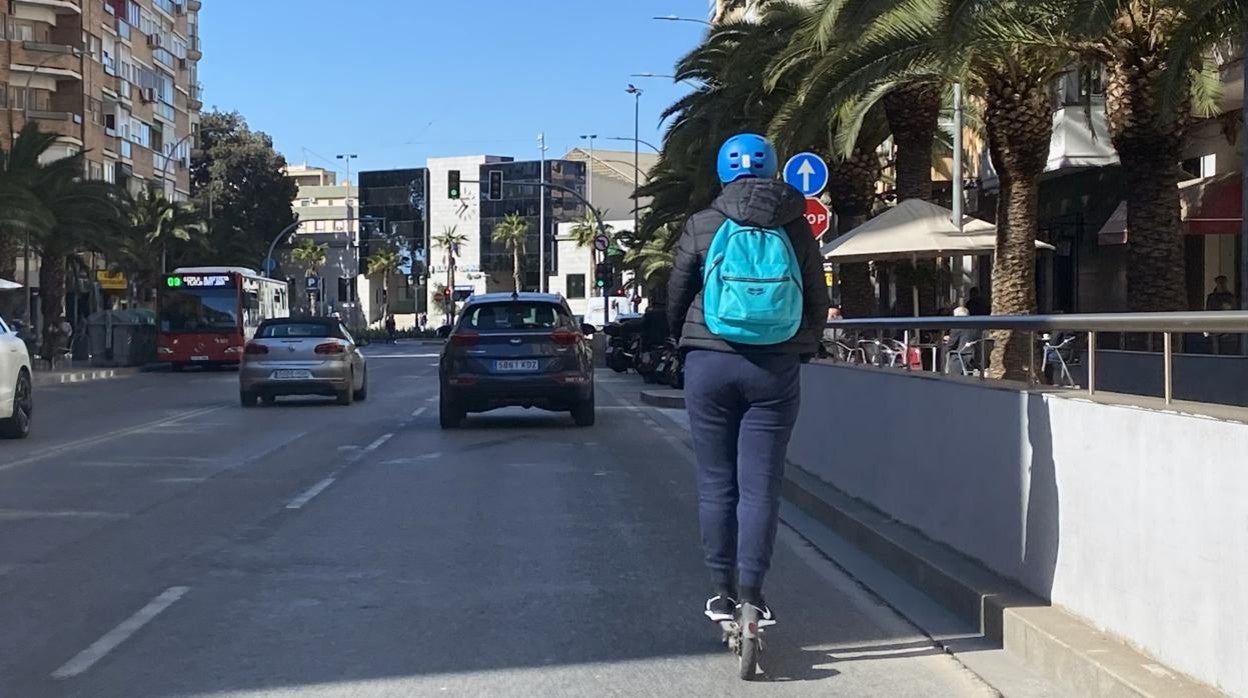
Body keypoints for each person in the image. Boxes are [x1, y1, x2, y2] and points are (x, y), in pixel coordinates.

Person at [668, 133, 829, 629]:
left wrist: (683, 339)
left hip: (709, 364)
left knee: (717, 484)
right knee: (760, 487)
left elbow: (676, 290)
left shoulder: (703, 222)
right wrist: (803, 345)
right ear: (773, 170)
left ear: (722, 172)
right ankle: (753, 596)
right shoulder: (796, 224)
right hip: (774, 368)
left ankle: (720, 594)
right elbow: (816, 297)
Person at [943, 306, 981, 373]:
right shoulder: (976, 327)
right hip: (974, 357)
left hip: (960, 357)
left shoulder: (957, 327)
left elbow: (951, 345)